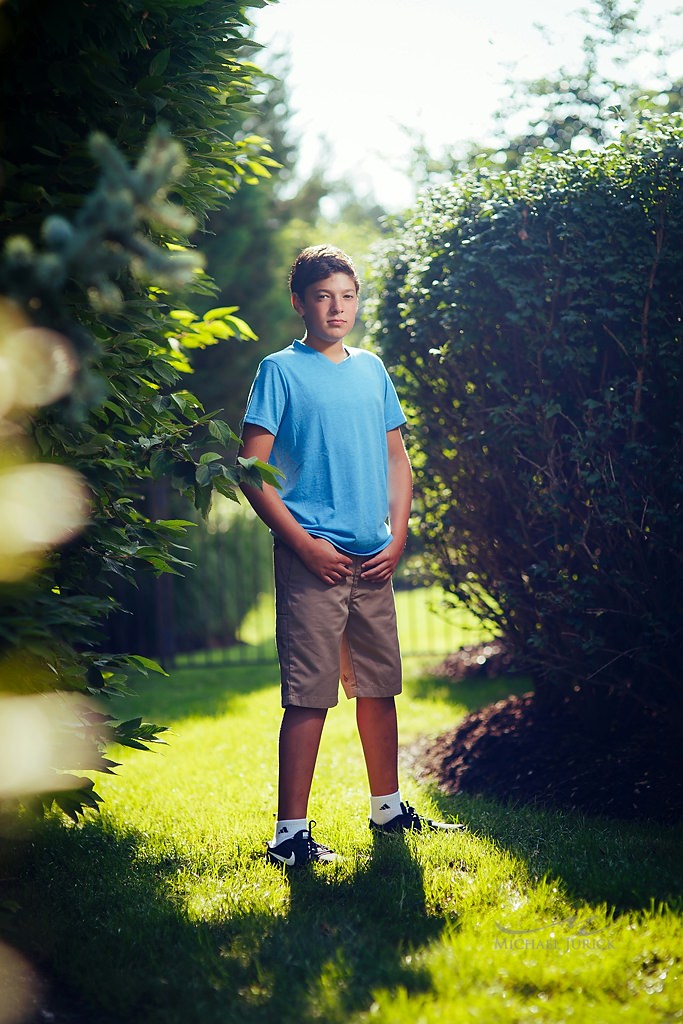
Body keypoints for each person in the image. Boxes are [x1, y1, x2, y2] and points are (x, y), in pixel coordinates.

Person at [240, 244, 462, 867]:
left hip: (374, 559)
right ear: (299, 302)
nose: (337, 308)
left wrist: (397, 537)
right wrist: (305, 547)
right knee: (308, 696)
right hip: (316, 558)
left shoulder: (372, 369)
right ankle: (289, 837)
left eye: (347, 296)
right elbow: (252, 470)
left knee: (378, 689)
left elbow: (397, 459)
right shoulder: (279, 370)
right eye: (322, 296)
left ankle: (387, 809)